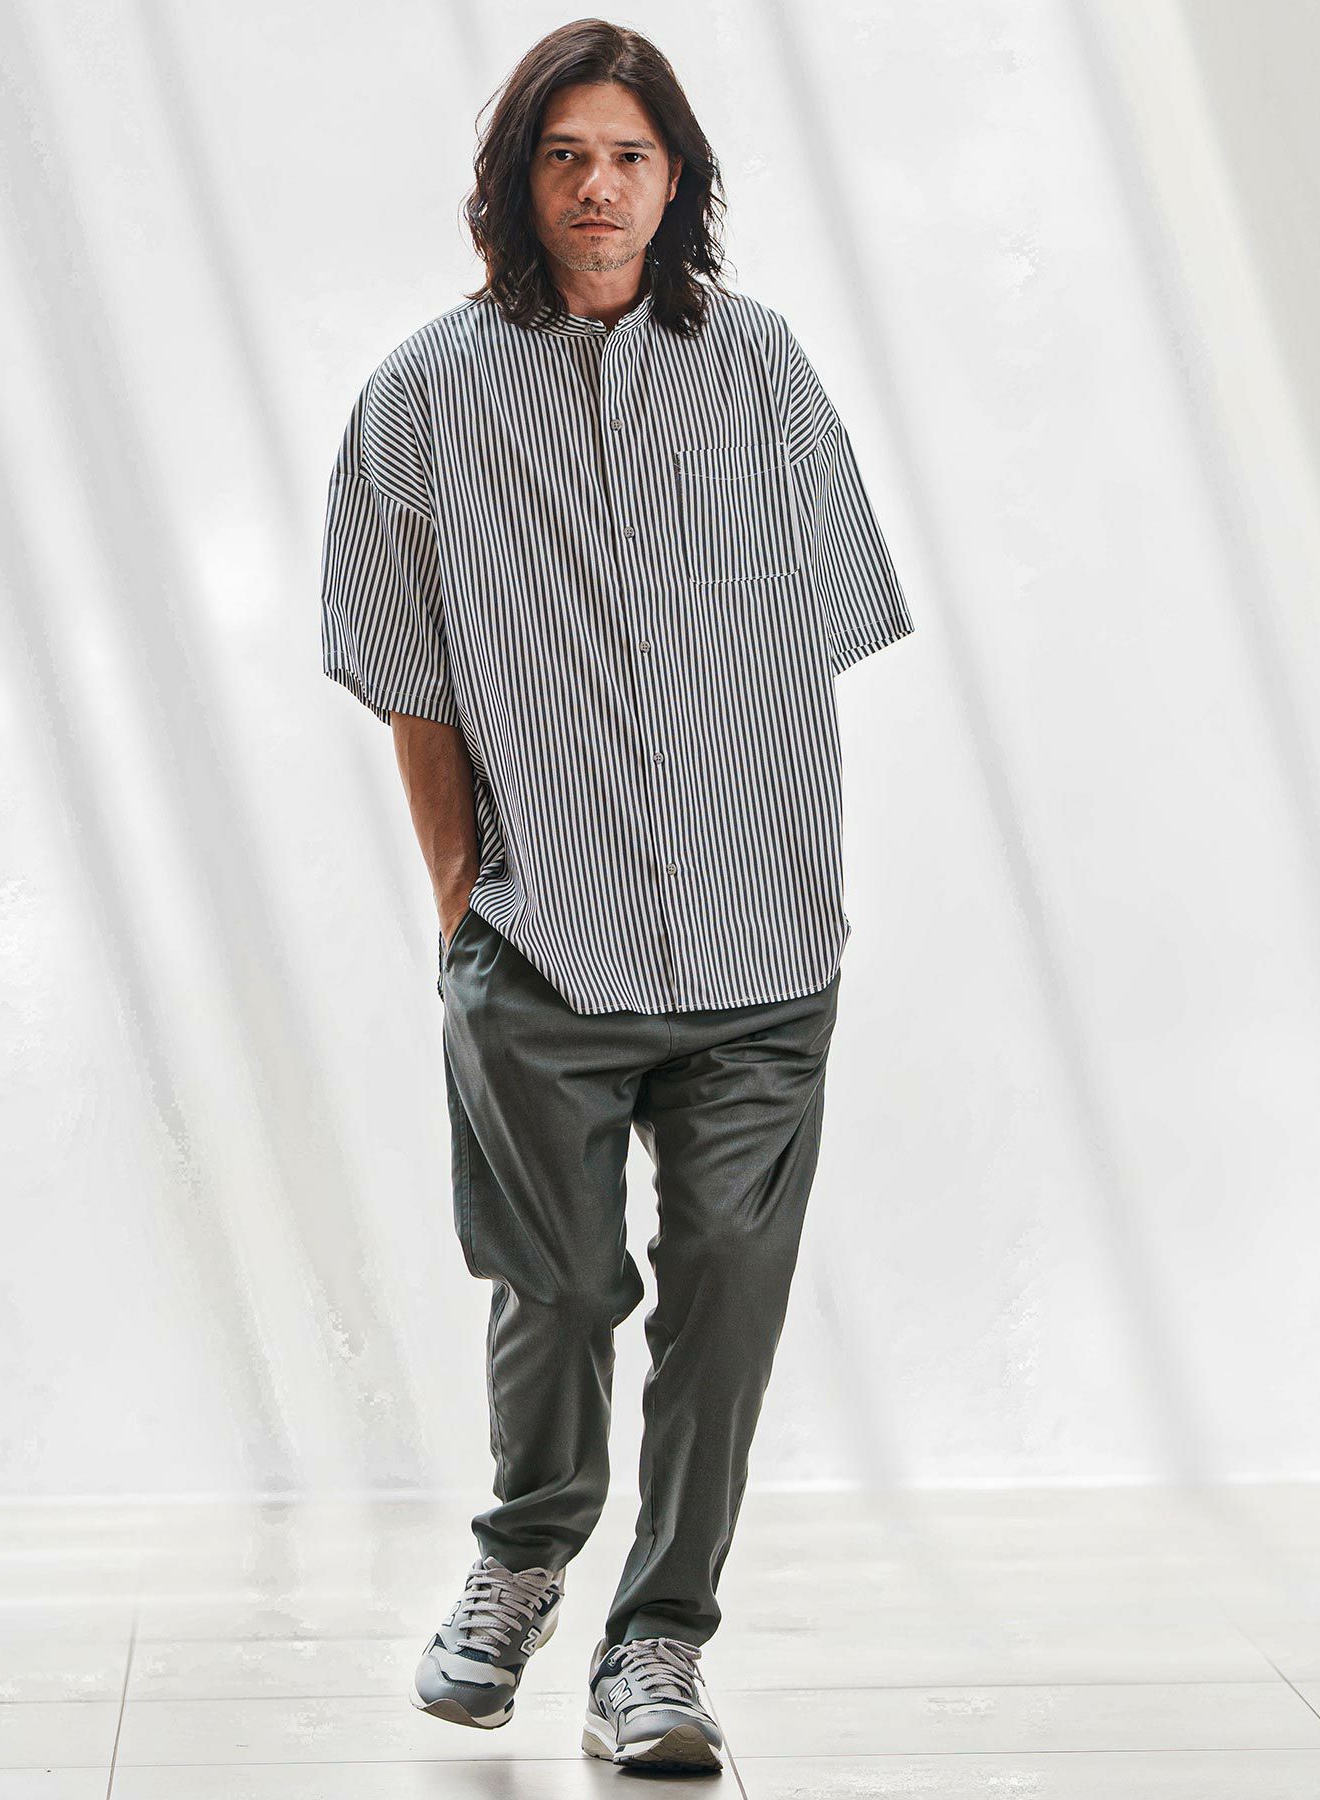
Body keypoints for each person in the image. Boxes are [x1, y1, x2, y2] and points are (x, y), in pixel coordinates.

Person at [320, 18, 913, 1773]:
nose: (597, 186)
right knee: (561, 1287)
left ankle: (659, 1644)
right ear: (518, 180)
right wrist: (460, 900)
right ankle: (521, 1563)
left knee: (727, 1286)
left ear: (677, 180)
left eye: (630, 156)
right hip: (541, 941)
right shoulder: (419, 400)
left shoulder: (762, 366)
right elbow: (408, 677)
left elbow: (823, 621)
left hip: (759, 945)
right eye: (565, 154)